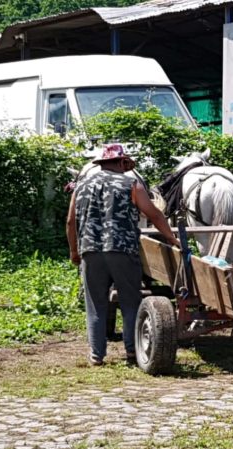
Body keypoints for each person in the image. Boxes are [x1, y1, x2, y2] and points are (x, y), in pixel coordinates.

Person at [66, 144, 179, 366]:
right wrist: (171, 238)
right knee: (130, 302)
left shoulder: (81, 186)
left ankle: (97, 356)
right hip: (123, 251)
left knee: (96, 303)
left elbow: (71, 221)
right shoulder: (131, 184)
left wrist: (73, 251)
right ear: (121, 163)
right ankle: (131, 352)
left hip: (91, 251)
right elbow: (153, 214)